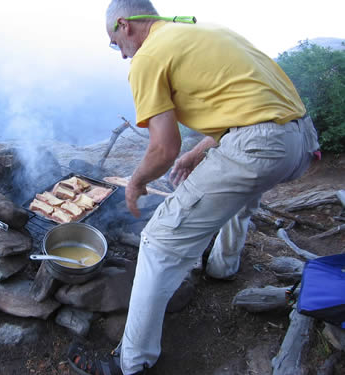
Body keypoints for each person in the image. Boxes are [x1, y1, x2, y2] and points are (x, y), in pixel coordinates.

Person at [67, 1, 320, 374]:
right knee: (244, 194)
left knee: (158, 242)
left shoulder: (148, 55)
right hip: (300, 141)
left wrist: (136, 182)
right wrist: (197, 152)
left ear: (124, 25)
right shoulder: (200, 32)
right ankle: (223, 267)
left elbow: (163, 148)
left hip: (260, 145)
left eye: (114, 43)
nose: (121, 54)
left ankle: (130, 362)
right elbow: (244, 109)